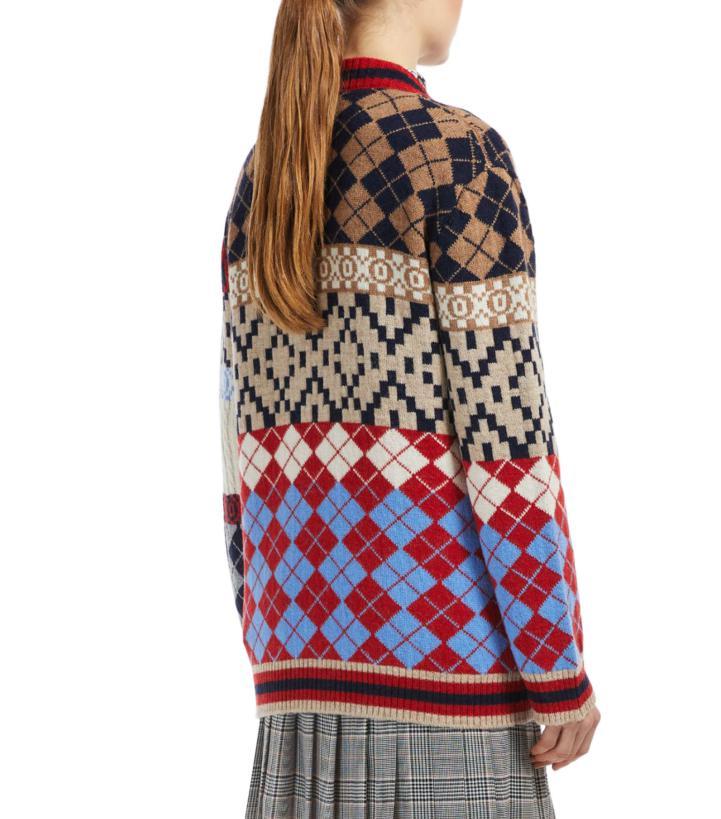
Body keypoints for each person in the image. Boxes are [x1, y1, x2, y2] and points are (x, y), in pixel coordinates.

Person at [219, 1, 601, 815]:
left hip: (295, 687)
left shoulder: (267, 169)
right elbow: (506, 441)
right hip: (446, 691)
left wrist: (273, 634)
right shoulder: (456, 154)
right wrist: (556, 664)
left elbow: (237, 446)